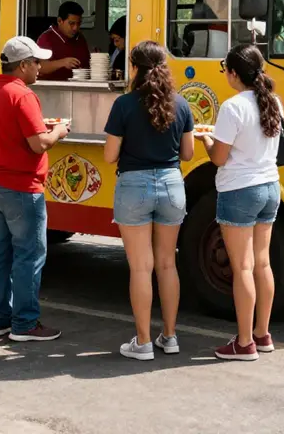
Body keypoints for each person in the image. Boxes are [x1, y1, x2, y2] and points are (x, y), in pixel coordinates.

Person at [103, 41, 195, 361]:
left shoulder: (124, 105)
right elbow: (188, 154)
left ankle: (142, 342)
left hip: (134, 185)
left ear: (134, 68)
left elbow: (110, 155)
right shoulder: (181, 105)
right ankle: (169, 337)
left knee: (141, 267)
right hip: (172, 185)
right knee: (168, 264)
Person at [0, 36, 70, 342]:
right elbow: (38, 143)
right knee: (29, 255)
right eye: (36, 62)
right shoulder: (23, 96)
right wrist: (58, 131)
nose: (40, 67)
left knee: (1, 254)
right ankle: (26, 324)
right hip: (22, 187)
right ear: (23, 65)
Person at [196, 43, 283, 362]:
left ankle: (244, 342)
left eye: (225, 70)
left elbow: (219, 158)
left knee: (242, 266)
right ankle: (262, 334)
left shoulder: (233, 107)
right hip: (270, 187)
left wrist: (206, 140)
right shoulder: (273, 101)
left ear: (233, 73)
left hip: (240, 191)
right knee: (263, 263)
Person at [37, 1, 91, 81]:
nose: (75, 28)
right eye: (71, 23)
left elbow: (87, 64)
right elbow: (39, 66)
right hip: (52, 89)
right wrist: (62, 63)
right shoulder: (46, 38)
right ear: (59, 21)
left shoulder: (80, 38)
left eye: (78, 24)